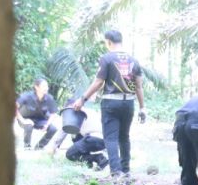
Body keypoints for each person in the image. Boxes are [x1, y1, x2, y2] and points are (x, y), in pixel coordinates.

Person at [71, 30, 145, 177]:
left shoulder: (107, 58)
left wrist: (83, 99)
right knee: (124, 136)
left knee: (110, 137)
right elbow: (138, 86)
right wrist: (142, 108)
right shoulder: (133, 60)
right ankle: (126, 170)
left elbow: (98, 82)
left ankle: (116, 172)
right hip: (128, 103)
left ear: (109, 42)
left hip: (111, 102)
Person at [14, 77, 59, 150]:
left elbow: (53, 113)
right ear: (36, 87)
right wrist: (23, 120)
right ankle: (27, 146)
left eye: (47, 86)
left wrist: (47, 125)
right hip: (25, 119)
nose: (46, 88)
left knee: (53, 128)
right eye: (44, 86)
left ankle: (39, 146)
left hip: (39, 120)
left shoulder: (49, 98)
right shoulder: (27, 96)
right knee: (29, 125)